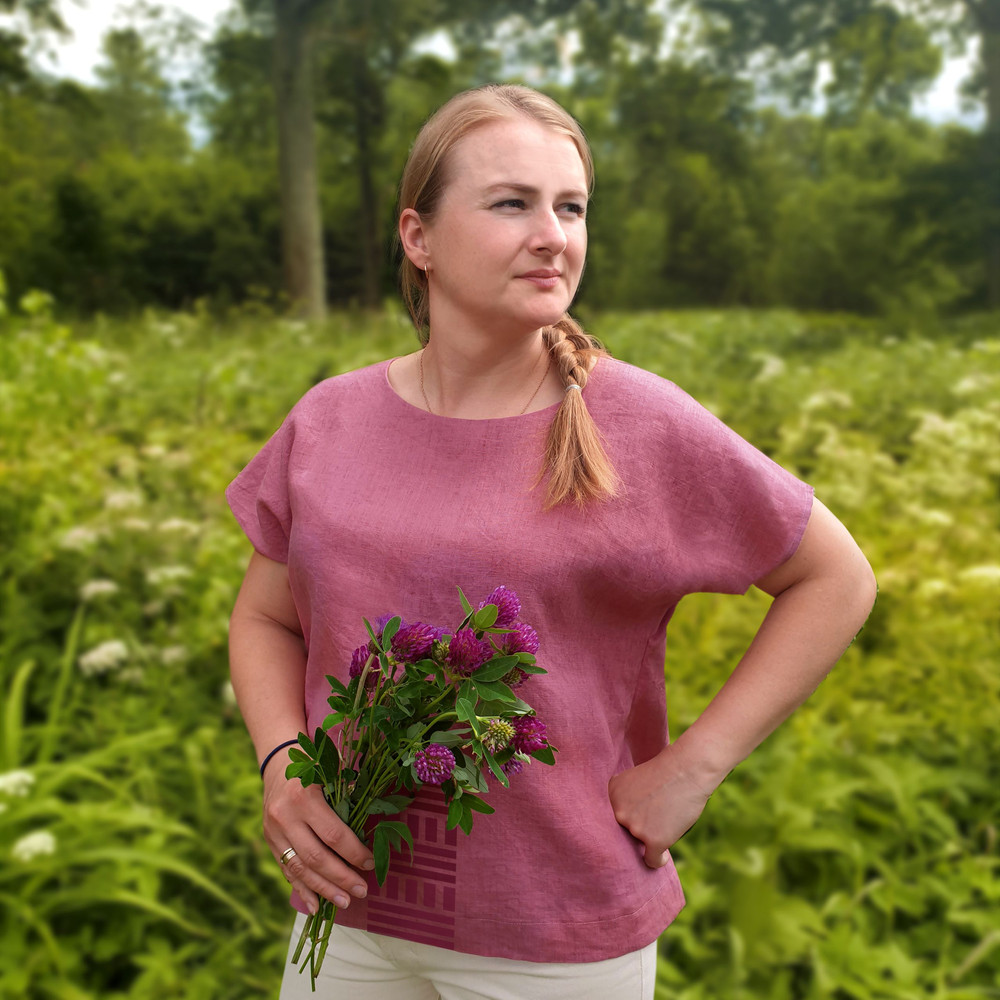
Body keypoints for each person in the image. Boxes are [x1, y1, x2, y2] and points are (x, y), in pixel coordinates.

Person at [226, 84, 876, 1000]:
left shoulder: (638, 422)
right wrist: (284, 767)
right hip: (347, 917)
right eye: (511, 203)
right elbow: (263, 616)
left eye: (570, 207)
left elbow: (836, 578)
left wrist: (695, 768)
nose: (553, 235)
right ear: (419, 238)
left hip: (554, 937)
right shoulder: (330, 419)